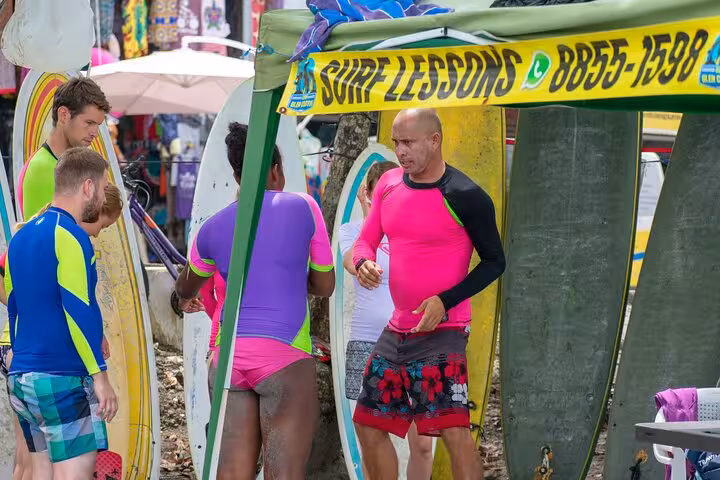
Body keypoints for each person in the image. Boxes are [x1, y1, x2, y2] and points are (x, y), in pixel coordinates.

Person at [174, 122, 335, 480]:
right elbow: (325, 285)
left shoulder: (212, 227)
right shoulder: (305, 208)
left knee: (231, 472)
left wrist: (181, 298)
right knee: (284, 473)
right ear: (276, 169)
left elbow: (186, 288)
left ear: (236, 174)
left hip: (228, 359)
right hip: (284, 357)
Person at [352, 109, 506, 480]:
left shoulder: (466, 195)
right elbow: (365, 240)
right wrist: (362, 263)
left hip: (444, 332)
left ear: (434, 141)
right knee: (368, 424)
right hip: (397, 330)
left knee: (454, 434)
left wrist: (445, 300)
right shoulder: (389, 184)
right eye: (396, 142)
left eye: (408, 143)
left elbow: (494, 262)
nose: (400, 151)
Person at [4, 147, 118, 480]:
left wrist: (18, 357)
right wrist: (101, 376)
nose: (101, 193)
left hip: (21, 379)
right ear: (88, 187)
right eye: (102, 186)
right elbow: (79, 308)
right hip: (61, 378)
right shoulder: (70, 235)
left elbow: (15, 306)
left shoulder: (21, 235)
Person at [339, 160, 434, 479]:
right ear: (367, 193)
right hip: (370, 343)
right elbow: (353, 263)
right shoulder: (353, 232)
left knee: (422, 444)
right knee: (373, 440)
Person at [17, 76, 111, 221]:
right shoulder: (43, 167)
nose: (95, 133)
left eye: (97, 125)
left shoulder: (56, 164)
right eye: (89, 122)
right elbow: (49, 237)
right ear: (63, 115)